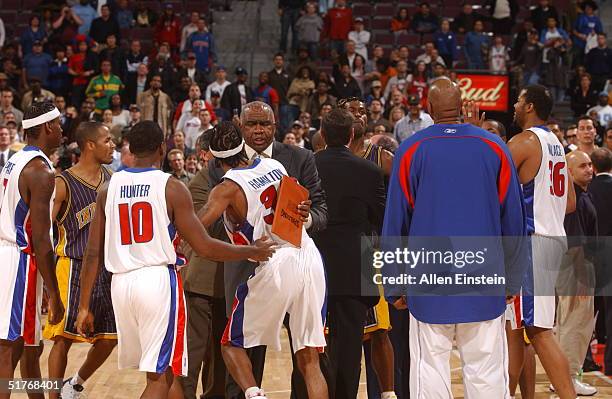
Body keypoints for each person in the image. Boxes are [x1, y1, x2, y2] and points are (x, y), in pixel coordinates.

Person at [75, 121, 276, 399]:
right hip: (157, 282)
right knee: (160, 377)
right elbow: (203, 246)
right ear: (162, 148)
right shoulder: (170, 187)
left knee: (164, 371)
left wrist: (84, 306)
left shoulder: (108, 189)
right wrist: (249, 251)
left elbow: (93, 252)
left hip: (121, 285)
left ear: (130, 149)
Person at [382, 79, 528, 398]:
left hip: (428, 278)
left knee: (429, 368)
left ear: (428, 108)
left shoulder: (410, 150)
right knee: (486, 369)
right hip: (484, 276)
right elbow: (515, 223)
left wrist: (394, 283)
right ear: (463, 106)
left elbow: (395, 224)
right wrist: (513, 281)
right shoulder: (495, 148)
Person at [199, 121, 328, 399]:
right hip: (308, 254)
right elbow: (296, 205)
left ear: (213, 156)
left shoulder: (226, 189)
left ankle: (256, 396)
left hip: (276, 260)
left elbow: (198, 227)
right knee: (309, 357)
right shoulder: (274, 166)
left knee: (231, 344)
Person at [505, 85, 577, 398]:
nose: (515, 106)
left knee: (538, 331)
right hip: (552, 238)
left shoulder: (523, 141)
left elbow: (489, 178)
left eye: (519, 101)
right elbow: (570, 202)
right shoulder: (556, 144)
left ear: (530, 106)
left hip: (533, 243)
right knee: (516, 329)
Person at [313, 108, 386, 399]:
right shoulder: (369, 170)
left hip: (315, 263)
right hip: (359, 264)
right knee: (351, 347)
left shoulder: (308, 164)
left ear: (322, 133)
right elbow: (380, 218)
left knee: (310, 343)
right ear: (352, 134)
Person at [41, 122, 116, 399]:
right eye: (107, 140)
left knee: (110, 337)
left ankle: (74, 384)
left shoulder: (113, 178)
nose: (113, 145)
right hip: (70, 265)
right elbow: (41, 233)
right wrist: (46, 283)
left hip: (105, 269)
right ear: (89, 145)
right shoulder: (62, 183)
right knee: (62, 339)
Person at [0, 102, 65, 398]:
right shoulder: (40, 170)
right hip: (19, 263)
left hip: (9, 254)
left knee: (31, 346)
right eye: (59, 124)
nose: (63, 130)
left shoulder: (16, 158)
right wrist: (55, 294)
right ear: (48, 127)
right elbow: (41, 238)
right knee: (9, 348)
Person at [181, 132, 227, 399]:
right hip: (201, 278)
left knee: (220, 354)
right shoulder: (199, 184)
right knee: (194, 350)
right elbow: (206, 230)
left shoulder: (230, 178)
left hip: (227, 279)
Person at [555, 150, 598, 396]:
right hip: (577, 266)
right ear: (569, 171)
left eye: (590, 164)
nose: (589, 169)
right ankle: (569, 378)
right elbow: (575, 241)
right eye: (582, 165)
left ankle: (562, 377)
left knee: (567, 324)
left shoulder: (580, 194)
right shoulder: (574, 199)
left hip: (574, 265)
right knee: (575, 325)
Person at [588, 148, 612, 375]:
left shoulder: (587, 189)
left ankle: (583, 358)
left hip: (590, 255)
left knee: (587, 311)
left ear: (593, 168)